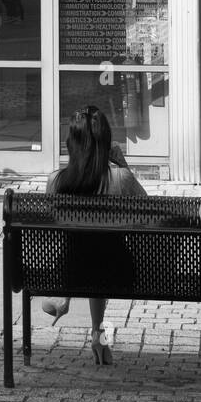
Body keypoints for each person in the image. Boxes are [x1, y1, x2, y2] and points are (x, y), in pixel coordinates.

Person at [40, 106, 147, 365]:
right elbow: (148, 211)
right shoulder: (120, 177)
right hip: (117, 271)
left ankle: (63, 296)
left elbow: (50, 224)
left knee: (82, 246)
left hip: (70, 270)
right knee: (101, 249)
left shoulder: (56, 180)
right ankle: (98, 331)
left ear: (71, 143)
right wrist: (123, 166)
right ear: (106, 142)